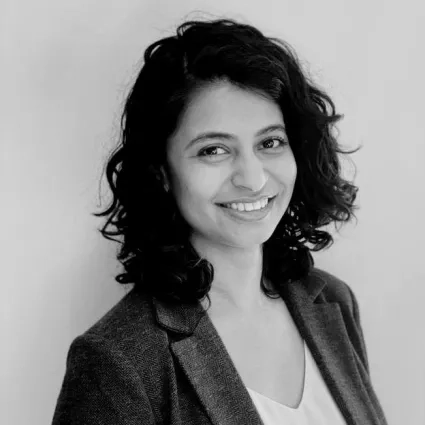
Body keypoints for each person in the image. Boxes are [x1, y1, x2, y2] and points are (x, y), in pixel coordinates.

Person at [52, 18, 388, 425]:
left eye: (270, 142)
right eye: (214, 150)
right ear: (160, 172)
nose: (254, 178)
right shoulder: (118, 363)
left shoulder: (333, 301)